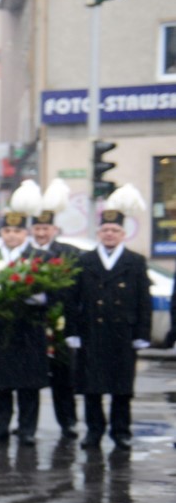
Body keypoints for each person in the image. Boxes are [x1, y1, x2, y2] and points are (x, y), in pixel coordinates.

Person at [67, 190, 152, 451]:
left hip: (122, 334)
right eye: (105, 230)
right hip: (92, 332)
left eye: (115, 230)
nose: (109, 234)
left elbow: (143, 301)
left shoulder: (135, 262)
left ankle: (121, 431)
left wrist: (141, 333)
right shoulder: (85, 261)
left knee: (121, 389)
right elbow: (73, 299)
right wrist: (73, 331)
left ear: (123, 233)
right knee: (92, 388)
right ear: (99, 233)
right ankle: (94, 431)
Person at [0, 205, 51, 445]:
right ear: (1, 232)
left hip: (29, 331)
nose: (12, 235)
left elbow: (58, 294)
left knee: (28, 386)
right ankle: (1, 427)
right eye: (7, 230)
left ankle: (27, 430)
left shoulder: (40, 259)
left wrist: (40, 299)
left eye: (17, 230)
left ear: (25, 233)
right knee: (0, 384)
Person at [25, 188, 82, 438]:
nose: (41, 233)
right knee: (29, 379)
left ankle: (68, 422)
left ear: (54, 229)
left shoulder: (70, 253)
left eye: (45, 228)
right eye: (37, 228)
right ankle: (27, 426)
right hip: (31, 325)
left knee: (63, 379)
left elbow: (76, 289)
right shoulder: (23, 254)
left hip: (60, 325)